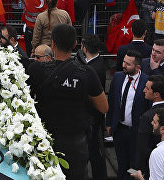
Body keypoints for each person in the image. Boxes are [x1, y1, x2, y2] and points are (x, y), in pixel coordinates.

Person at [26, 24, 107, 179]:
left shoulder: (37, 70)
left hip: (44, 141)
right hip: (75, 145)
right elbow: (104, 107)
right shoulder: (87, 73)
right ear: (75, 44)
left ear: (53, 43)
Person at [108, 49, 150, 180]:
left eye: (128, 64)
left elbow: (148, 108)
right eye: (124, 62)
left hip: (136, 133)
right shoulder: (118, 77)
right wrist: (109, 123)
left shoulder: (147, 82)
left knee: (134, 166)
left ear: (137, 67)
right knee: (122, 164)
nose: (123, 65)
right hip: (119, 130)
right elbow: (112, 101)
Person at [80, 34, 108, 180]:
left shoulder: (92, 69)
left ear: (84, 48)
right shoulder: (98, 63)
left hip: (92, 117)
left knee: (94, 152)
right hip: (94, 116)